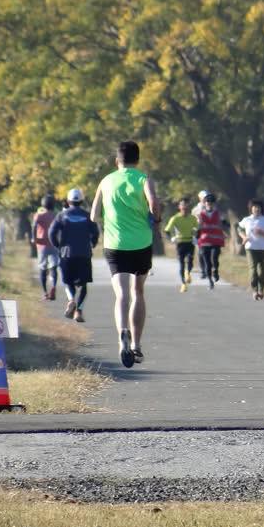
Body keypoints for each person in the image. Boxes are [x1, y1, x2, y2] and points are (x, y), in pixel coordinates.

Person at [90, 140, 161, 369]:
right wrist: (155, 217)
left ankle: (122, 334)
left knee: (121, 294)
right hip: (141, 243)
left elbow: (93, 215)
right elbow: (154, 203)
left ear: (116, 161)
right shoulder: (143, 179)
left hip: (114, 244)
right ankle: (137, 344)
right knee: (137, 292)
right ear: (137, 160)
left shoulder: (106, 180)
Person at [49, 188, 99, 323]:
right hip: (84, 253)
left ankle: (71, 300)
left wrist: (58, 246)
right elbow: (95, 232)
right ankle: (79, 311)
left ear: (68, 201)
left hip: (66, 254)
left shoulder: (61, 215)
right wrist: (93, 244)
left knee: (68, 281)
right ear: (81, 201)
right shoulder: (87, 215)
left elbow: (51, 233)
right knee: (83, 285)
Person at [238, 199, 264, 300]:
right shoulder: (247, 220)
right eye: (254, 207)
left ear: (261, 209)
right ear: (251, 209)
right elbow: (239, 228)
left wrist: (263, 233)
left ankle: (261, 290)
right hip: (250, 248)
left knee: (261, 271)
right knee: (253, 270)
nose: (257, 209)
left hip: (263, 248)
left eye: (259, 207)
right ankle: (254, 290)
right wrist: (243, 237)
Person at [165, 199, 199, 292]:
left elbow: (198, 229)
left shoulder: (192, 218)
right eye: (182, 205)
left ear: (188, 207)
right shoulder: (175, 218)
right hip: (180, 243)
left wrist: (197, 237)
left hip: (190, 242)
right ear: (179, 207)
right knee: (181, 263)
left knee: (190, 260)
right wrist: (171, 238)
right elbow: (167, 230)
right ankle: (183, 284)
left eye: (186, 205)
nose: (184, 207)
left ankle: (188, 272)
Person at [32, 194, 59, 301]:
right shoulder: (56, 215)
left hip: (41, 244)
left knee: (42, 267)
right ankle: (53, 286)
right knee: (54, 266)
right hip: (53, 243)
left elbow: (34, 226)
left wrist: (33, 238)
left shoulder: (38, 215)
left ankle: (45, 292)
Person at [196, 192, 226, 290]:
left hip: (216, 240)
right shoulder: (200, 214)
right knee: (207, 262)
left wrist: (226, 227)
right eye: (207, 202)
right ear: (204, 203)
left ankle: (216, 271)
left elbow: (224, 223)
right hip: (204, 241)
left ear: (214, 203)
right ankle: (210, 281)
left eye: (211, 202)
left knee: (214, 258)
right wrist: (196, 234)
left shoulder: (218, 214)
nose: (209, 203)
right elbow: (198, 227)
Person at [191, 190, 209, 279]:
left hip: (209, 232)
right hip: (199, 232)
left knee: (208, 251)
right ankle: (203, 270)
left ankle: (208, 269)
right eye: (204, 197)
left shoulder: (210, 208)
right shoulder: (195, 209)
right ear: (200, 198)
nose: (206, 199)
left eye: (207, 197)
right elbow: (192, 221)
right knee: (201, 252)